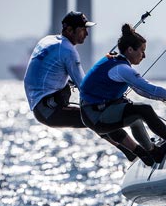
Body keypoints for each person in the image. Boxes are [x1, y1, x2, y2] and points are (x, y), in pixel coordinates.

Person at [79, 23, 166, 165]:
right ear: (130, 50)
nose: (144, 56)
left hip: (92, 114)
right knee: (143, 110)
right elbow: (149, 89)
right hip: (96, 116)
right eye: (142, 51)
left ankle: (153, 153)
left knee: (135, 114)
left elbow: (140, 90)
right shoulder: (122, 69)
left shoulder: (116, 63)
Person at [23, 11, 141, 161]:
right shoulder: (68, 51)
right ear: (69, 30)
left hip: (41, 106)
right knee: (99, 118)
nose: (86, 33)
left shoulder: (48, 40)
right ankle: (139, 152)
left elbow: (51, 72)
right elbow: (86, 88)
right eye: (82, 29)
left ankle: (131, 152)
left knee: (94, 119)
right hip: (48, 110)